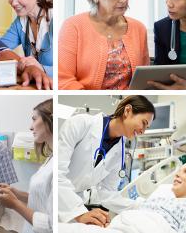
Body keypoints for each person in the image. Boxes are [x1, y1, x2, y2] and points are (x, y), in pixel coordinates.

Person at [58, 95, 155, 227]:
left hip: (75, 206)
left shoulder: (119, 151)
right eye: (143, 123)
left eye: (147, 127)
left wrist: (140, 206)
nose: (143, 131)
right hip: (57, 197)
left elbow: (107, 192)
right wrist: (79, 213)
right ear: (127, 111)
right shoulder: (80, 124)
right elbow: (57, 174)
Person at [58, 0, 149, 90]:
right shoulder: (73, 26)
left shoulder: (139, 29)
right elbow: (64, 80)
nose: (123, 0)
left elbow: (143, 80)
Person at [0, 99, 53, 233]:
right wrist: (16, 193)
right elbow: (41, 198)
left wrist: (14, 204)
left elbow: (51, 225)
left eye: (34, 119)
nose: (31, 127)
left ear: (50, 120)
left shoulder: (57, 166)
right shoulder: (50, 159)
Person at [1, 0, 53, 77]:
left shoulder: (56, 19)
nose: (13, 2)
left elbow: (70, 70)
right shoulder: (21, 22)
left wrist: (42, 68)